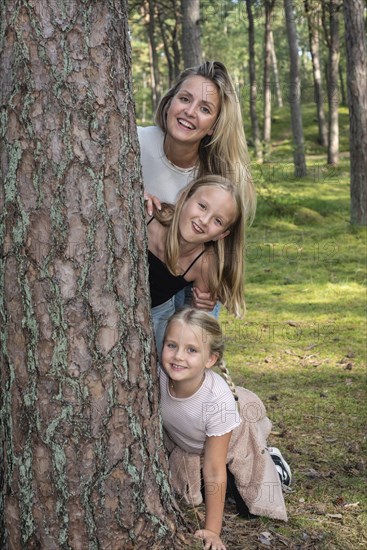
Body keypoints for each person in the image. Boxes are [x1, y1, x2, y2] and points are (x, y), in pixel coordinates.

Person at [159, 308, 289, 550]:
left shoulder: (217, 400)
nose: (178, 356)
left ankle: (275, 463)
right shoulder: (157, 375)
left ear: (210, 359)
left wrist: (212, 530)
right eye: (171, 345)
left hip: (234, 437)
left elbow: (214, 468)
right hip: (195, 444)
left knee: (245, 502)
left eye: (191, 350)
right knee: (193, 492)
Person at [138, 60, 256, 311]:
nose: (190, 112)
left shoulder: (215, 179)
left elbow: (221, 249)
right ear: (170, 102)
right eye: (184, 99)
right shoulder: (133, 141)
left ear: (214, 126)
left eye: (204, 109)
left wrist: (208, 295)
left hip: (178, 277)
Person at [147, 174, 245, 355]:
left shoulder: (204, 264)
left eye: (218, 221)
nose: (204, 220)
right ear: (185, 197)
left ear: (221, 235)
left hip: (157, 312)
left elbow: (195, 323)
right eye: (202, 206)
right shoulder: (149, 219)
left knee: (165, 359)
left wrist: (202, 306)